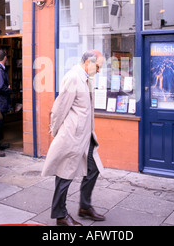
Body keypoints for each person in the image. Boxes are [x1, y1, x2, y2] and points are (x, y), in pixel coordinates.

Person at [41, 50, 106, 226]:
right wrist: (55, 132)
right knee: (65, 174)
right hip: (73, 135)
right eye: (98, 66)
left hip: (86, 135)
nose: (99, 70)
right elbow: (59, 108)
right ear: (88, 63)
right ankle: (60, 215)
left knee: (93, 168)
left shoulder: (87, 79)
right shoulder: (73, 77)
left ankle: (84, 207)